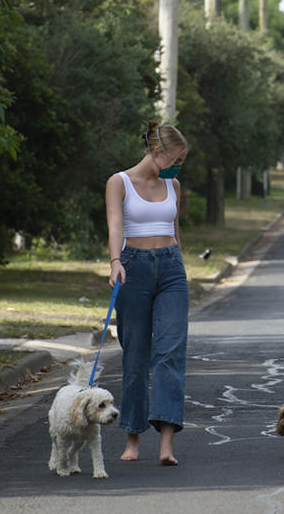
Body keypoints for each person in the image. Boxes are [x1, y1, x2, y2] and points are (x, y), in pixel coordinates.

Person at [106, 120, 190, 465]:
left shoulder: (174, 184)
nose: (178, 164)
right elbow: (115, 224)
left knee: (170, 353)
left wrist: (182, 267)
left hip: (171, 267)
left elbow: (174, 229)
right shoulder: (119, 182)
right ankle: (133, 440)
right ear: (158, 152)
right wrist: (114, 262)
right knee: (136, 355)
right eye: (176, 157)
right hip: (133, 267)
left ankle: (167, 445)